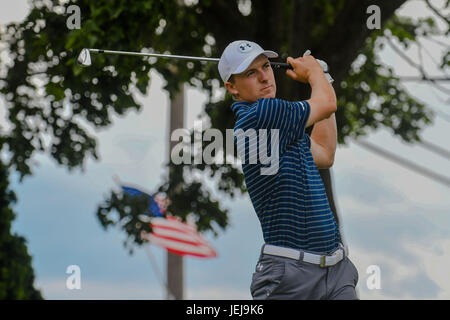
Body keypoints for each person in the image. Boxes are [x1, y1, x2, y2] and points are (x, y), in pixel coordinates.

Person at [218, 40, 359, 300]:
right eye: (251, 73)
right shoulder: (261, 114)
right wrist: (316, 74)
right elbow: (327, 103)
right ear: (232, 88)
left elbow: (324, 152)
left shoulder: (281, 129)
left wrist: (323, 79)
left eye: (266, 66)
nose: (264, 77)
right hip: (290, 277)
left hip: (336, 270)